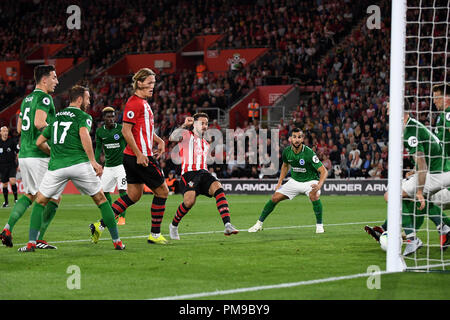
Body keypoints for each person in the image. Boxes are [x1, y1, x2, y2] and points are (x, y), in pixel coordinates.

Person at [18, 85, 124, 252]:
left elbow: (39, 142)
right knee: (102, 200)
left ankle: (31, 243)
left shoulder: (56, 117)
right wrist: (93, 162)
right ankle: (117, 242)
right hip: (79, 164)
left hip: (56, 167)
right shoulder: (83, 116)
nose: (89, 102)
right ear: (80, 99)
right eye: (88, 99)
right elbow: (84, 135)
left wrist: (54, 154)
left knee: (39, 202)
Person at [90, 68, 169, 245]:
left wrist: (158, 140)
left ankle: (99, 225)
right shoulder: (134, 103)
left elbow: (140, 129)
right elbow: (126, 131)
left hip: (133, 157)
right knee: (163, 192)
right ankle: (155, 235)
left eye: (154, 83)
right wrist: (140, 154)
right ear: (139, 83)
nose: (152, 86)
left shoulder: (143, 103)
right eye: (149, 83)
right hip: (140, 157)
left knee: (133, 195)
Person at [365, 103, 450, 255]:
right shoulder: (413, 126)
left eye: (390, 109)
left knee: (392, 195)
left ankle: (413, 238)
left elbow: (422, 164)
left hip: (437, 174)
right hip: (440, 172)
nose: (387, 112)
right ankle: (442, 226)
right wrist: (414, 172)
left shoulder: (410, 130)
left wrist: (419, 191)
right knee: (405, 196)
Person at [0, 65, 60, 249]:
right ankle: (38, 239)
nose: (57, 81)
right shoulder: (44, 98)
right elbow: (39, 122)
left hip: (25, 154)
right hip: (39, 154)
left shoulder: (26, 100)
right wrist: (56, 136)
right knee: (53, 198)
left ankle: (7, 229)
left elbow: (18, 128)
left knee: (30, 194)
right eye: (54, 77)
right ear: (44, 79)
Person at [167, 113, 238, 240]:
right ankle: (173, 225)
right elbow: (172, 137)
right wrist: (184, 125)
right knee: (189, 202)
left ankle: (227, 224)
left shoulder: (206, 142)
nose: (205, 126)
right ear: (194, 124)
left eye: (206, 123)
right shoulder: (186, 135)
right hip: (189, 173)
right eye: (202, 123)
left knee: (218, 188)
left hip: (203, 173)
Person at [248, 128, 328, 234]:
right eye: (294, 137)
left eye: (299, 137)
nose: (297, 139)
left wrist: (319, 185)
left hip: (310, 181)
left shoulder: (309, 153)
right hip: (294, 181)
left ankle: (319, 226)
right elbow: (285, 166)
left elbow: (324, 171)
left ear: (302, 139)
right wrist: (279, 182)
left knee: (314, 195)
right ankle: (258, 224)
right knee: (274, 198)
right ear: (290, 138)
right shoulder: (287, 151)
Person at [94, 107, 127, 225]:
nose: (111, 119)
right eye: (108, 117)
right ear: (104, 118)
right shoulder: (100, 132)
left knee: (122, 190)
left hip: (122, 166)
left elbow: (129, 143)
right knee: (104, 193)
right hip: (108, 167)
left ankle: (122, 218)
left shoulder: (121, 129)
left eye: (113, 116)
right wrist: (95, 162)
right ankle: (112, 214)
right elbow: (98, 149)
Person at [0, 126, 19, 207]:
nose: (5, 133)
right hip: (2, 166)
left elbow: (18, 152)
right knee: (4, 184)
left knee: (12, 181)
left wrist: (18, 163)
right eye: (3, 131)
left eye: (6, 131)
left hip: (11, 165)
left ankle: (16, 199)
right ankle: (6, 202)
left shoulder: (12, 141)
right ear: (0, 133)